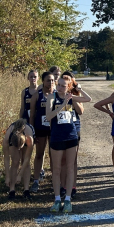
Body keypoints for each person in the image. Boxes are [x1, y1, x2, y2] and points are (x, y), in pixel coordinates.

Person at [46, 75, 92, 213]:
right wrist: (62, 104)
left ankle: (67, 199)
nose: (59, 87)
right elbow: (49, 116)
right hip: (57, 137)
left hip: (71, 136)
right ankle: (57, 199)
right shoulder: (52, 97)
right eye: (58, 84)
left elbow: (88, 99)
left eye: (63, 85)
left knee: (71, 167)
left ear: (68, 87)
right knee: (57, 169)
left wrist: (79, 89)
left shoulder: (70, 96)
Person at [29, 72, 55, 193]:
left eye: (52, 80)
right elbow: (32, 114)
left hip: (53, 129)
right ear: (43, 81)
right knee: (39, 154)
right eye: (48, 80)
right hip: (40, 128)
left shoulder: (56, 94)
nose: (50, 83)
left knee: (53, 155)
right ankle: (36, 180)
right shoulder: (37, 95)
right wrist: (32, 131)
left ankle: (56, 181)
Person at [62, 71, 84, 198]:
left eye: (69, 80)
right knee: (63, 159)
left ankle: (73, 185)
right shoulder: (58, 95)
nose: (67, 82)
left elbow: (80, 111)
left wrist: (73, 96)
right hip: (62, 128)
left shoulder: (76, 94)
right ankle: (63, 185)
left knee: (73, 159)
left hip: (75, 128)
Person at [3, 119, 35, 200]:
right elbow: (6, 159)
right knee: (15, 161)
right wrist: (7, 176)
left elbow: (27, 158)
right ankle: (12, 190)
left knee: (25, 161)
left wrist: (20, 175)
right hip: (13, 137)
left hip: (26, 135)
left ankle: (26, 190)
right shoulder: (7, 137)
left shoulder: (29, 137)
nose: (18, 149)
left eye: (20, 147)